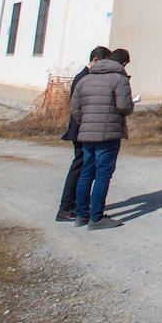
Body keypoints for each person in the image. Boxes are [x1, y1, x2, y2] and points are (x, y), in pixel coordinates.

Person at [71, 47, 136, 228]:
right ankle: (97, 218)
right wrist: (131, 106)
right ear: (123, 64)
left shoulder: (85, 79)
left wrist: (86, 123)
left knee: (86, 174)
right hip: (108, 134)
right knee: (102, 175)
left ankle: (81, 215)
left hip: (87, 133)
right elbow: (124, 106)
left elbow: (75, 108)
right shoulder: (119, 79)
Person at [56, 45, 110, 221]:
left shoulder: (86, 76)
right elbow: (78, 107)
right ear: (95, 60)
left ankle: (80, 206)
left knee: (84, 169)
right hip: (82, 130)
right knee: (80, 169)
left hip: (85, 129)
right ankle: (67, 207)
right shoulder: (84, 78)